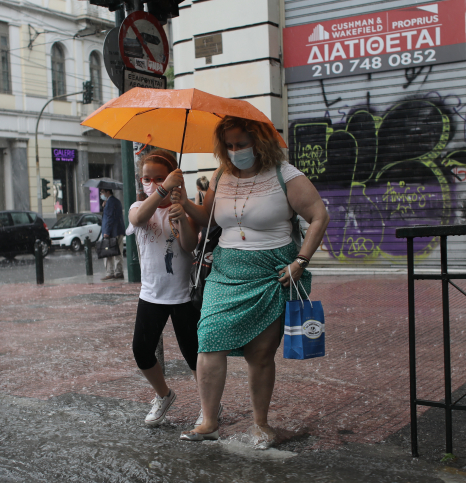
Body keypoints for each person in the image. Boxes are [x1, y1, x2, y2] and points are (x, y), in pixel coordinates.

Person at [176, 116, 330, 448]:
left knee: (260, 355)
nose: (235, 151)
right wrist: (183, 200)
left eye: (241, 144)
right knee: (208, 339)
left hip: (272, 274)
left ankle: (261, 424)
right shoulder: (220, 175)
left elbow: (319, 215)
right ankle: (208, 422)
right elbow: (206, 218)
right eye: (229, 145)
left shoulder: (285, 175)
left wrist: (300, 261)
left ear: (259, 142)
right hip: (225, 272)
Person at [127, 149, 201, 426]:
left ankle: (209, 404)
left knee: (194, 355)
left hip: (183, 296)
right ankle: (163, 395)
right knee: (141, 351)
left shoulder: (183, 207)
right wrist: (162, 190)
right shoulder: (139, 207)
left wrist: (181, 216)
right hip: (151, 295)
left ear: (174, 177)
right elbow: (137, 220)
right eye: (147, 178)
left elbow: (189, 246)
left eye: (160, 177)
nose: (153, 183)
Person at [100, 186, 126, 280]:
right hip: (117, 230)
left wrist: (106, 232)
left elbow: (109, 218)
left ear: (107, 192)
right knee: (117, 252)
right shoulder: (115, 201)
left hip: (112, 232)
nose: (101, 195)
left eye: (102, 192)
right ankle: (118, 272)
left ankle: (111, 272)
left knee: (108, 253)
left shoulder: (110, 202)